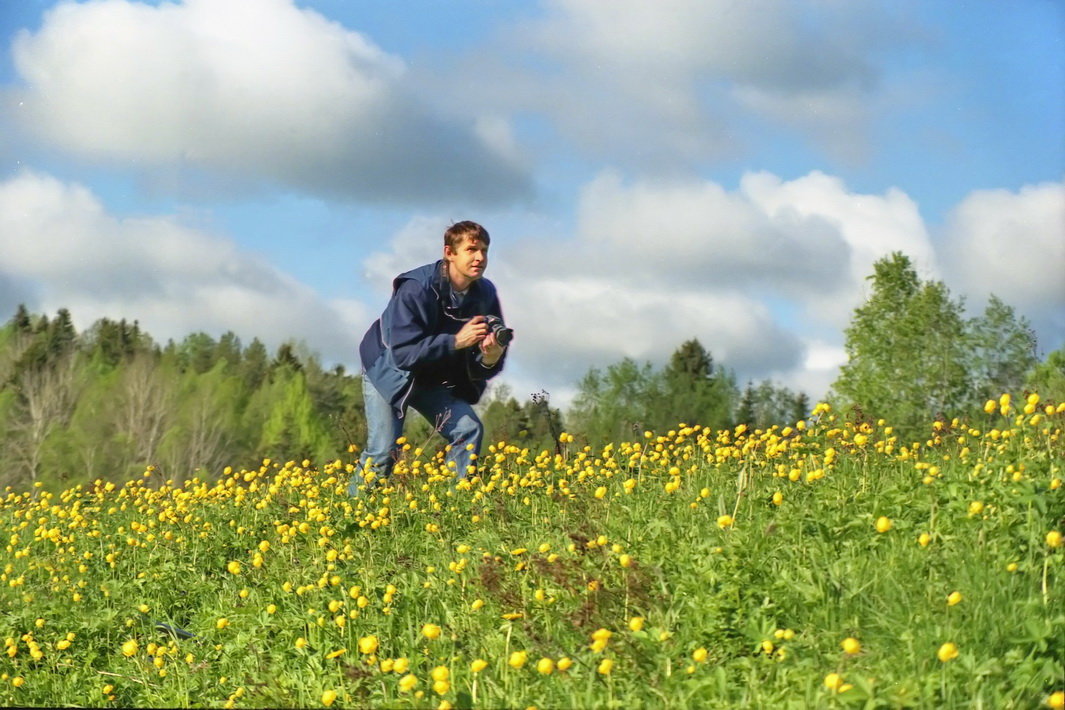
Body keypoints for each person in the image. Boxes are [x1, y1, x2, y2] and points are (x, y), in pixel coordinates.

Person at [350, 221, 508, 495]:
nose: (480, 258)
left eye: (484, 250)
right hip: (387, 370)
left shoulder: (485, 293)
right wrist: (457, 341)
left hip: (432, 373)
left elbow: (480, 365)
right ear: (449, 252)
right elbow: (403, 354)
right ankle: (351, 514)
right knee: (384, 452)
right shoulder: (416, 288)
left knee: (468, 431)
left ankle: (449, 507)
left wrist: (490, 358)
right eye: (471, 249)